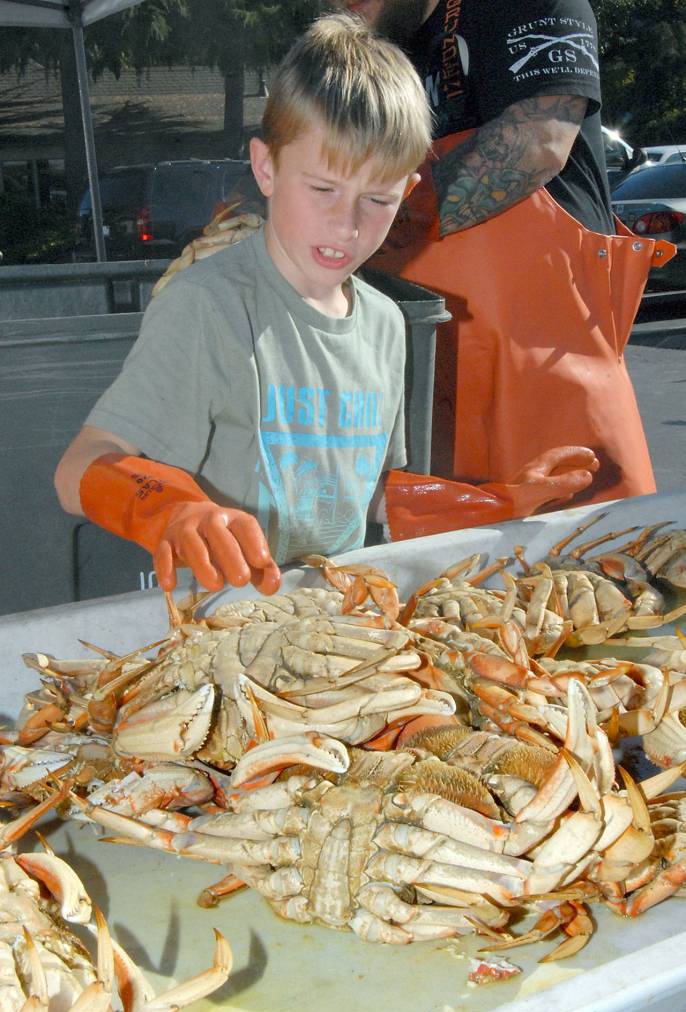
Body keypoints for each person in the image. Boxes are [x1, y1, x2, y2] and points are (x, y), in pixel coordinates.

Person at [53, 13, 434, 596]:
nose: (347, 223)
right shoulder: (206, 307)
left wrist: (486, 502)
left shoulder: (385, 323)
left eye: (378, 199)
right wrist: (172, 511)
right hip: (218, 626)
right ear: (266, 167)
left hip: (335, 628)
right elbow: (79, 467)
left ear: (407, 191)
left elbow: (365, 490)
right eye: (323, 188)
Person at [339, 0, 675, 510]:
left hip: (550, 399)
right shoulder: (365, 51)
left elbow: (539, 141)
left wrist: (362, 216)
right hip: (416, 405)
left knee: (588, 576)